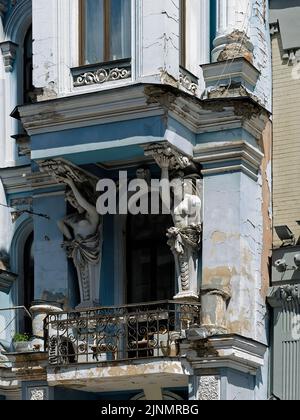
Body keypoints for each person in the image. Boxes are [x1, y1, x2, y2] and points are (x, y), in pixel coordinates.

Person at [57, 176, 102, 309]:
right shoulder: (74, 218)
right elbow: (59, 222)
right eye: (71, 201)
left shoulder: (92, 213)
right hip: (79, 250)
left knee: (92, 276)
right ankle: (86, 304)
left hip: (90, 248)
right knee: (82, 279)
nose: (74, 203)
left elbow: (83, 203)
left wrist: (71, 183)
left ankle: (91, 305)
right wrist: (71, 239)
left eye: (74, 200)